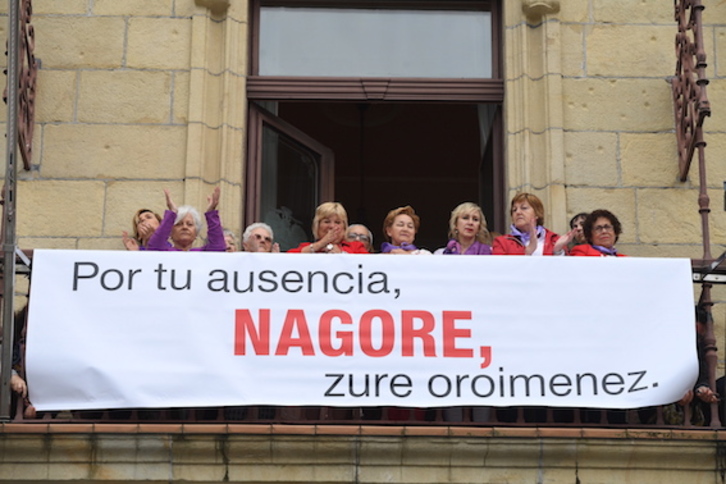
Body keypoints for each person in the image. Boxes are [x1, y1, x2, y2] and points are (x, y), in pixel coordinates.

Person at [146, 187, 226, 252]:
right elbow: (154, 247)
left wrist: (211, 213)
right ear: (170, 232)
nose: (184, 227)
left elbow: (218, 248)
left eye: (190, 224)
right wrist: (172, 213)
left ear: (196, 233)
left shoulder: (203, 253)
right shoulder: (166, 252)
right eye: (179, 224)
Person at [492, 193, 572, 256]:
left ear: (537, 213)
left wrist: (557, 251)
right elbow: (501, 271)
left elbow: (564, 271)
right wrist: (527, 252)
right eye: (514, 210)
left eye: (524, 208)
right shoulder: (502, 242)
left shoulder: (554, 240)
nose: (518, 212)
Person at [287, 202, 368, 253]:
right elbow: (288, 259)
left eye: (337, 222)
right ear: (317, 226)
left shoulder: (356, 247)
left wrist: (341, 255)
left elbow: (367, 266)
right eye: (327, 221)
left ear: (344, 227)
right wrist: (321, 243)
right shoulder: (306, 247)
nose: (332, 226)